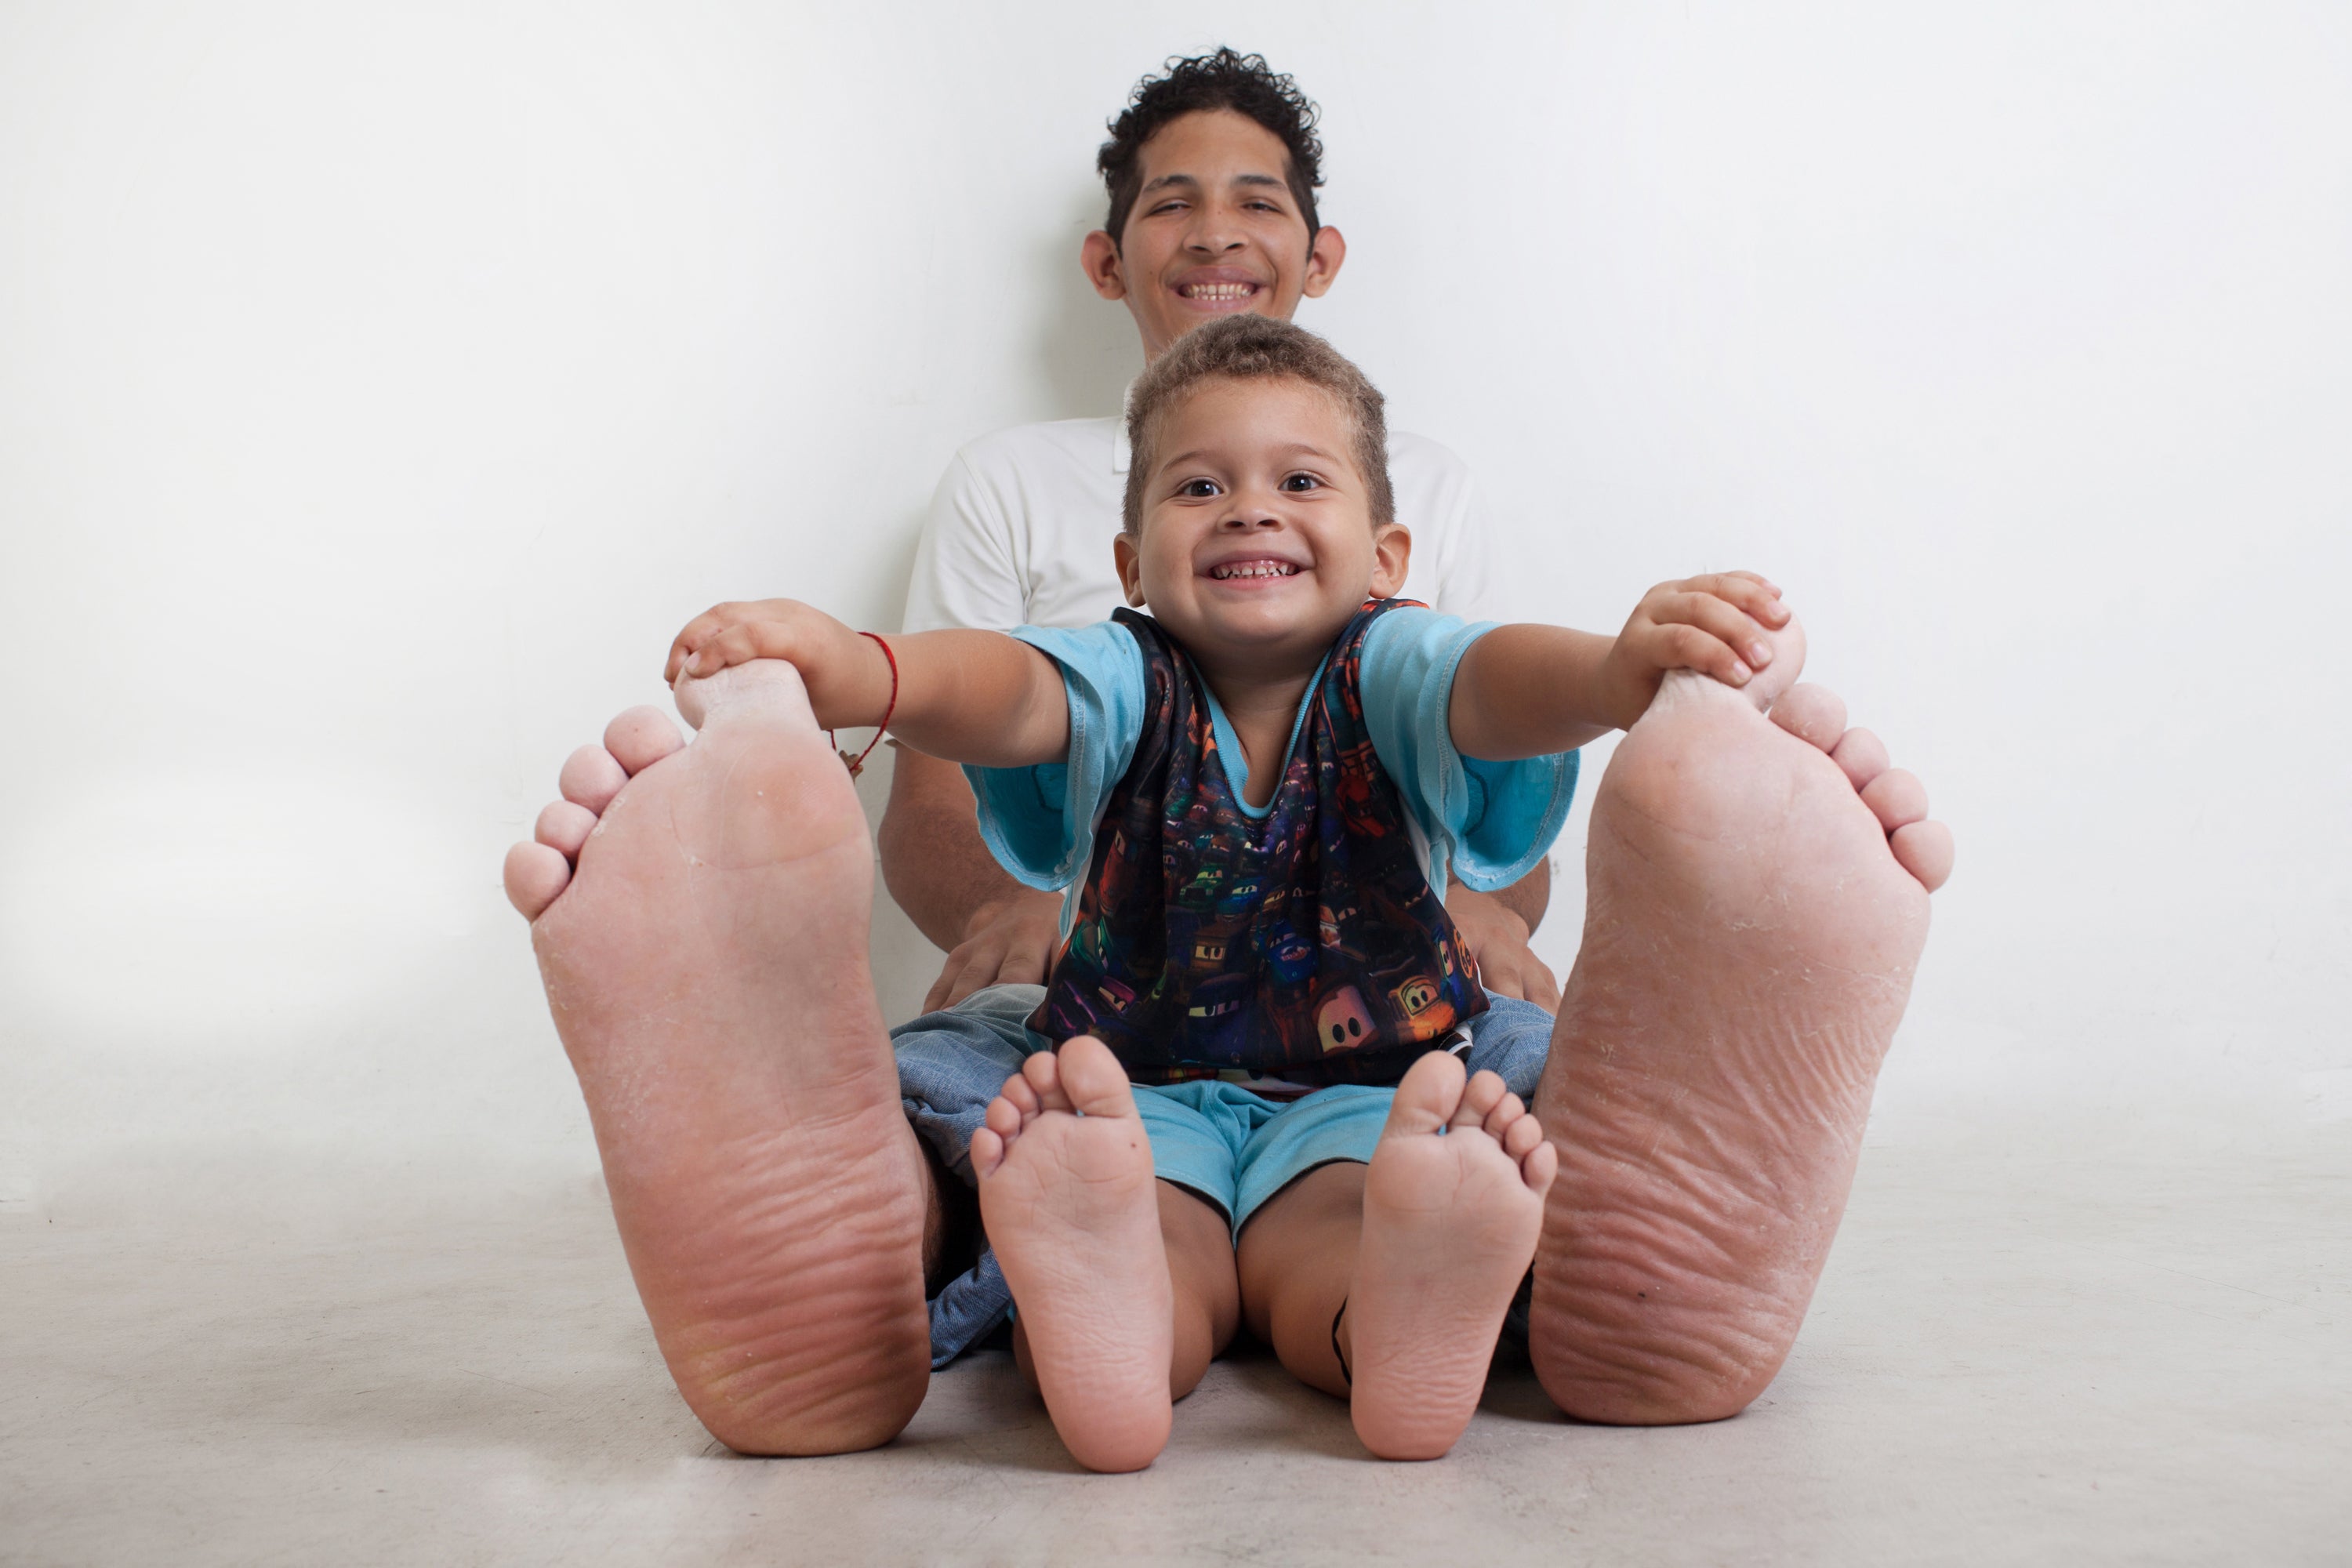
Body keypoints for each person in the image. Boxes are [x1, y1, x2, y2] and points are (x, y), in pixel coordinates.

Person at [503, 316, 1955, 1467]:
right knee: (1187, 1226)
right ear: (1131, 562)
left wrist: (1614, 676)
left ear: (1388, 557)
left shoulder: (1396, 665)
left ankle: (1263, 1332)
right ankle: (1235, 1333)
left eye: (1300, 480)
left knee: (1330, 1216)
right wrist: (863, 670)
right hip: (1124, 1100)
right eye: (1200, 485)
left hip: (1369, 1093)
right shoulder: (1116, 672)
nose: (1247, 506)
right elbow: (999, 688)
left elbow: (1499, 680)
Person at [884, 48, 1562, 1020]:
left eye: (1256, 203)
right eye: (1169, 205)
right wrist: (1011, 902)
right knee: (961, 1079)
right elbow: (934, 796)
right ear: (1106, 262)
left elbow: (1505, 774)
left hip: (1378, 997)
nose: (1212, 236)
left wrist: (1489, 905)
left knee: (1506, 1079)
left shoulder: (1428, 485)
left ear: (1319, 257)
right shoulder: (1006, 481)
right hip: (1104, 996)